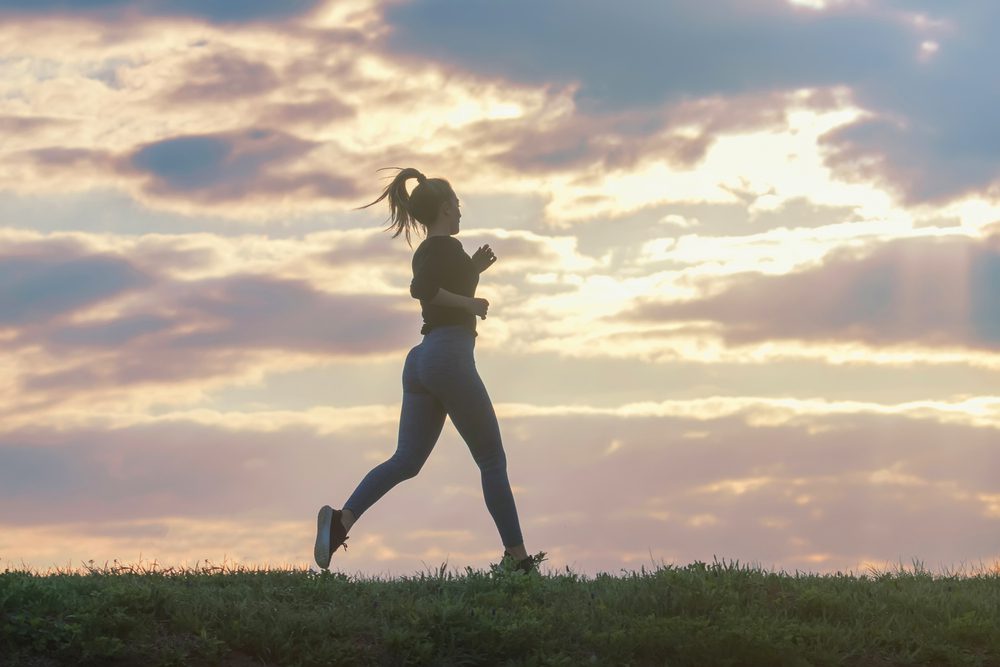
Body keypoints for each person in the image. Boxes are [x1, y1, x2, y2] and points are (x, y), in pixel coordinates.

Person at [314, 167, 537, 574]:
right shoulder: (440, 249)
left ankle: (340, 521)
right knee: (491, 459)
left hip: (422, 361)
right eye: (457, 204)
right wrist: (470, 304)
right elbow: (425, 290)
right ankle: (518, 560)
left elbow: (437, 284)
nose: (460, 211)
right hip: (448, 355)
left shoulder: (440, 252)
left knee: (406, 461)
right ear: (446, 207)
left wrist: (474, 271)